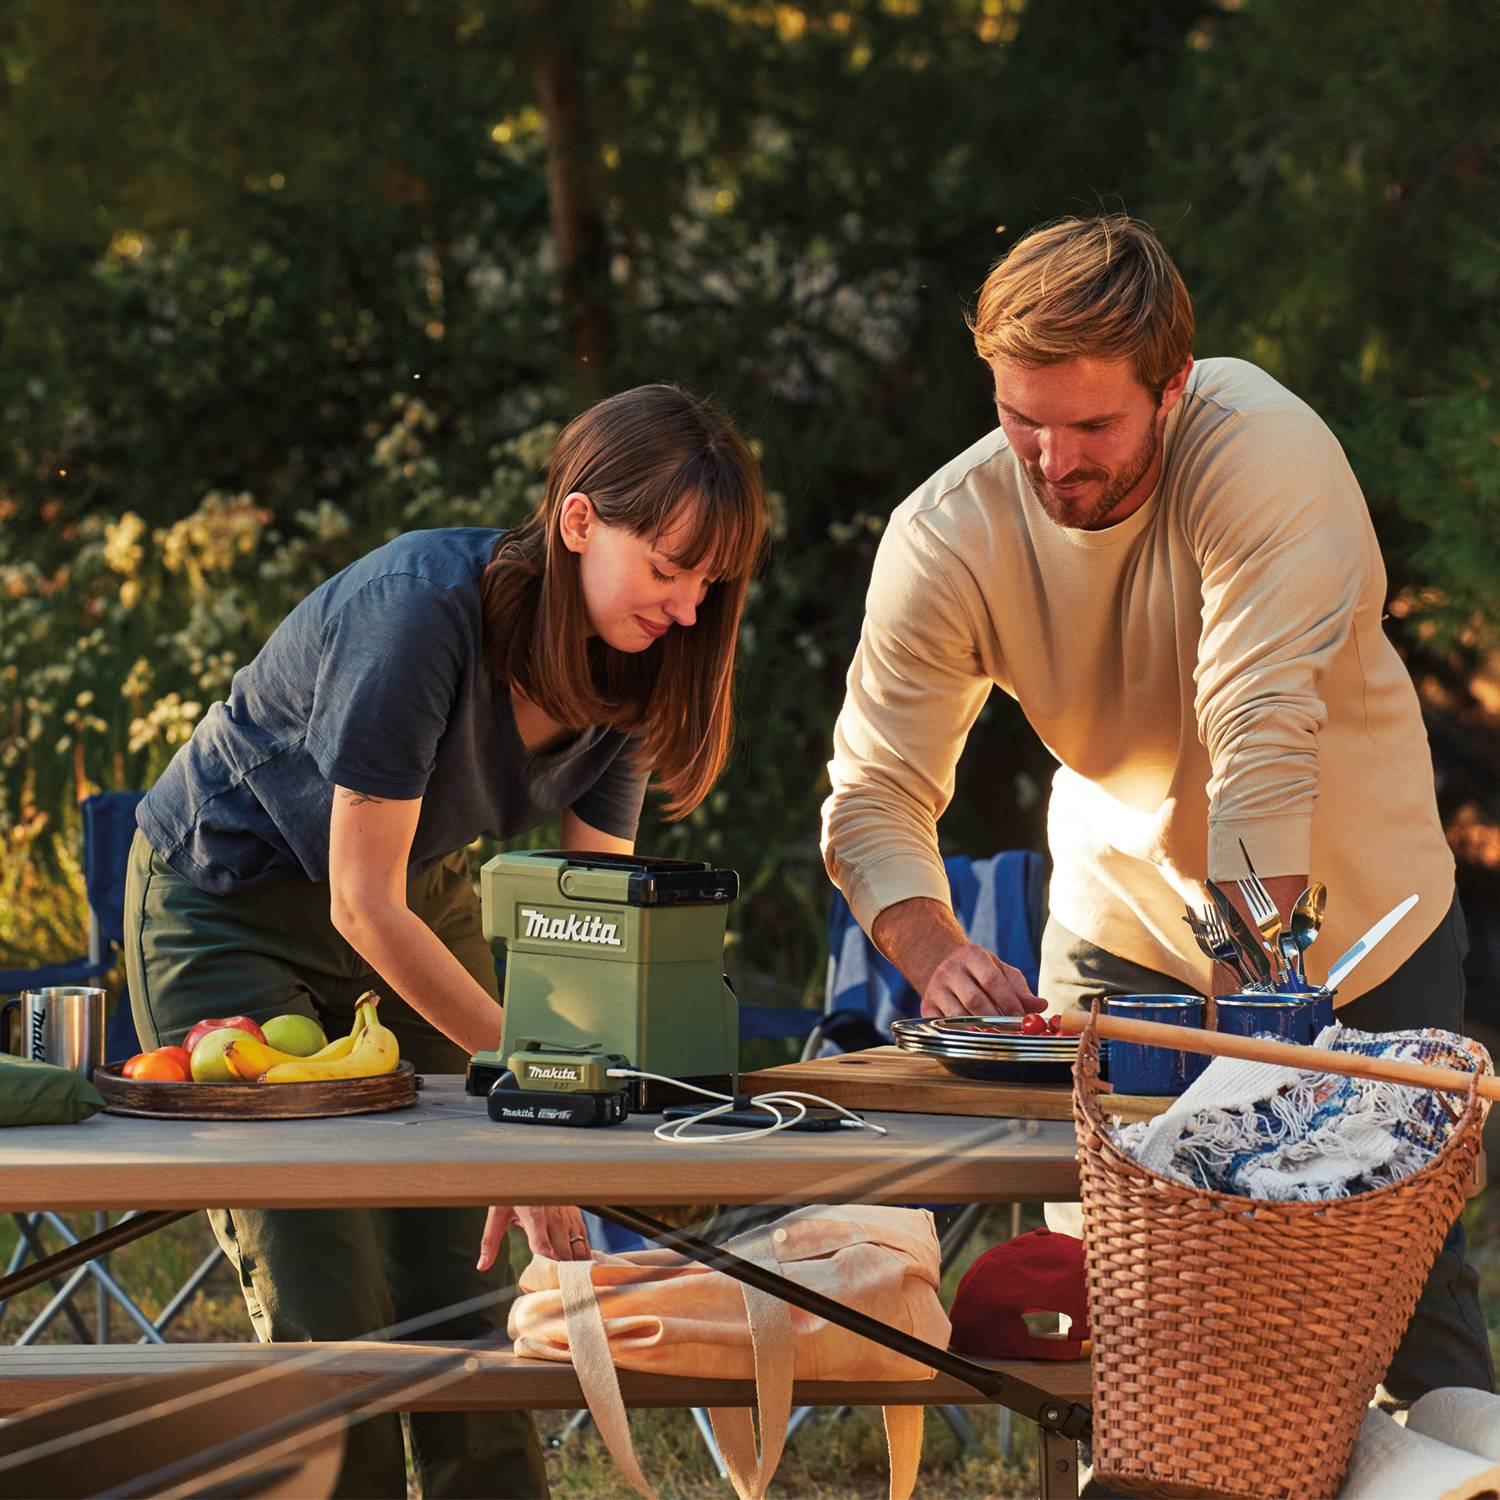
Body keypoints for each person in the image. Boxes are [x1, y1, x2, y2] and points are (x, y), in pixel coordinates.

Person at [821, 215, 1492, 1401]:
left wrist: (1251, 1043)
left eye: (1092, 426)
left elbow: (1258, 740)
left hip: (1359, 923)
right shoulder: (948, 533)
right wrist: (931, 949)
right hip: (1121, 925)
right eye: (1022, 418)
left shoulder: (1265, 454)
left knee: (1395, 1292)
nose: (1052, 462)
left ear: (1173, 387)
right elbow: (875, 787)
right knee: (1111, 1299)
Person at [124, 382, 768, 1498]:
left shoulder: (636, 667)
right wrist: (535, 1072)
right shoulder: (417, 613)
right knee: (329, 1283)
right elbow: (356, 901)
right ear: (578, 522)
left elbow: (590, 923)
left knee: (460, 1275)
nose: (688, 609)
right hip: (232, 902)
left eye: (707, 584)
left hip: (420, 896)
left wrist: (559, 1114)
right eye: (667, 568)